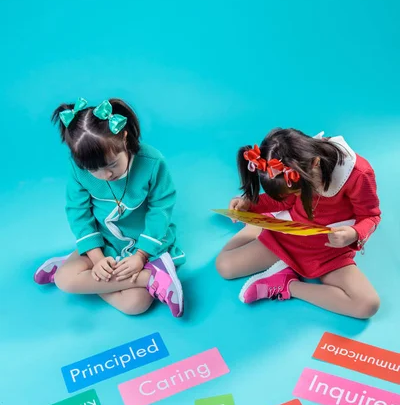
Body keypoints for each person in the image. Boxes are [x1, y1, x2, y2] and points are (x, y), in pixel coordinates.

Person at [34, 98, 185, 317]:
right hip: (104, 243)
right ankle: (151, 278)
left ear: (124, 138)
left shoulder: (152, 162)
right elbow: (78, 212)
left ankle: (82, 275)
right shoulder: (78, 169)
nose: (106, 176)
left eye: (112, 165)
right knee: (64, 281)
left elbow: (160, 209)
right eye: (93, 170)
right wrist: (97, 259)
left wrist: (141, 256)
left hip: (145, 244)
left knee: (135, 304)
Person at [216, 129, 381, 319]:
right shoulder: (295, 163)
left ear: (315, 163)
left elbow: (371, 216)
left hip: (329, 250)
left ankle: (286, 284)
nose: (296, 196)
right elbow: (284, 202)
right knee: (225, 266)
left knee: (367, 305)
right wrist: (249, 204)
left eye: (297, 192)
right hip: (289, 235)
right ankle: (261, 225)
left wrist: (353, 234)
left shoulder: (358, 173)